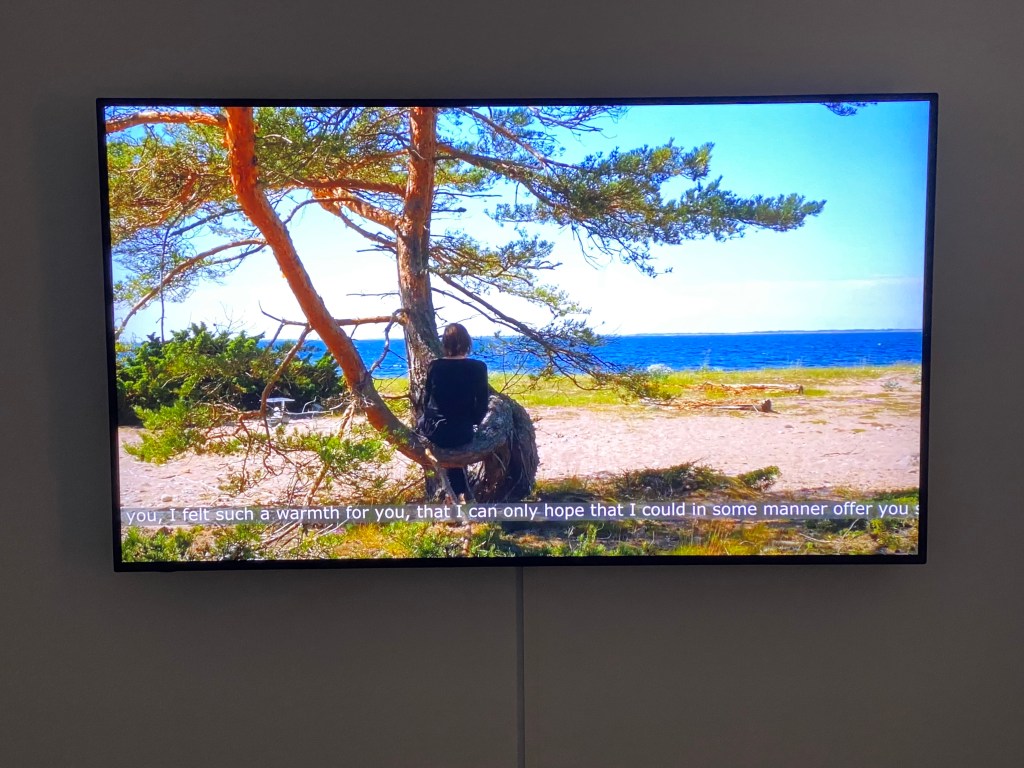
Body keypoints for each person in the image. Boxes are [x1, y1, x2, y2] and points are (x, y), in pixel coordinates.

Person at [420, 323, 490, 500]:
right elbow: (482, 404)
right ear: (467, 343)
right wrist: (473, 422)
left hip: (436, 430)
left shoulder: (435, 366)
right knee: (455, 441)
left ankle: (454, 495)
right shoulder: (478, 367)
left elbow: (426, 400)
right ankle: (458, 494)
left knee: (425, 425)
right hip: (462, 431)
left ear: (445, 343)